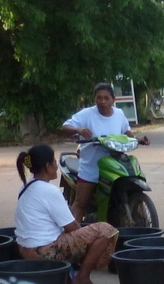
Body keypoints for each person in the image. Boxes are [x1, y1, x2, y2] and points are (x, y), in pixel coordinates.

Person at [14, 144, 117, 284]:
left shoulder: (26, 186)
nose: (56, 166)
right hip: (44, 251)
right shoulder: (49, 191)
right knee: (106, 230)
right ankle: (82, 280)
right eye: (54, 162)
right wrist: (88, 238)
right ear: (48, 166)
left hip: (25, 249)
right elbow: (72, 227)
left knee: (84, 233)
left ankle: (67, 278)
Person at [60, 83, 149, 223]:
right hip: (91, 168)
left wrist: (138, 139)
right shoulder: (87, 114)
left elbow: (127, 132)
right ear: (94, 99)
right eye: (99, 98)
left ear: (113, 99)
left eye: (106, 98)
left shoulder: (119, 114)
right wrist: (79, 130)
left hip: (114, 166)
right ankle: (72, 237)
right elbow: (65, 127)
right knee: (81, 203)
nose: (102, 101)